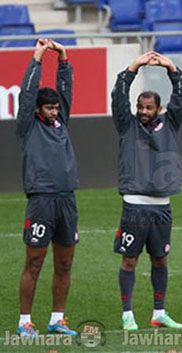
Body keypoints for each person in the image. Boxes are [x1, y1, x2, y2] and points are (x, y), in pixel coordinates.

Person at [111, 51, 182, 330]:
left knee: (160, 259)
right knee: (130, 260)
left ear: (158, 108)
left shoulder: (170, 124)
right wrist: (133, 67)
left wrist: (171, 68)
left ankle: (159, 312)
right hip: (134, 205)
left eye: (149, 107)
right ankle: (127, 314)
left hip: (162, 206)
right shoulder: (126, 125)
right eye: (140, 107)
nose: (143, 111)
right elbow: (118, 96)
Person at [16, 38, 78, 337]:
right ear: (38, 110)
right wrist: (38, 58)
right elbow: (28, 93)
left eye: (56, 108)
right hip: (41, 200)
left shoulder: (61, 122)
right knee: (35, 262)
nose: (54, 112)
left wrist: (63, 59)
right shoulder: (28, 125)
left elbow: (66, 92)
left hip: (67, 200)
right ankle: (24, 321)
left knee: (64, 263)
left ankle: (57, 319)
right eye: (49, 108)